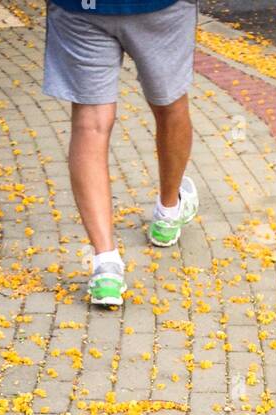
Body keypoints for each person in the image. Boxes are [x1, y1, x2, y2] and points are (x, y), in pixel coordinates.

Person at [43, 0, 200, 307]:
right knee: (170, 105)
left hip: (81, 8)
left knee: (91, 124)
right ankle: (168, 213)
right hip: (160, 8)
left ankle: (106, 266)